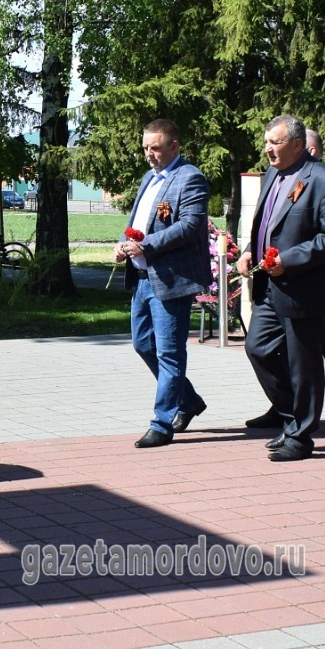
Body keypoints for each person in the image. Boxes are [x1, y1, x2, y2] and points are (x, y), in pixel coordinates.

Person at [236, 115, 325, 461]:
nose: (267, 149)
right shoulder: (273, 175)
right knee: (257, 349)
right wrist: (249, 251)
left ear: (298, 145)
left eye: (275, 142)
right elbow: (266, 225)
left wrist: (289, 259)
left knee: (304, 365)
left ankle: (300, 437)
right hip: (268, 287)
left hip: (305, 290)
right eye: (266, 142)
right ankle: (292, 419)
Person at [114, 120, 212, 449]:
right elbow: (136, 224)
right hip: (142, 279)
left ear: (174, 146)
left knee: (169, 353)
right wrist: (122, 244)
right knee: (143, 345)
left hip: (171, 280)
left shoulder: (190, 177)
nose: (149, 154)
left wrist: (147, 246)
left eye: (155, 147)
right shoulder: (149, 178)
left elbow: (190, 225)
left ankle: (162, 423)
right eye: (145, 147)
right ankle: (189, 401)